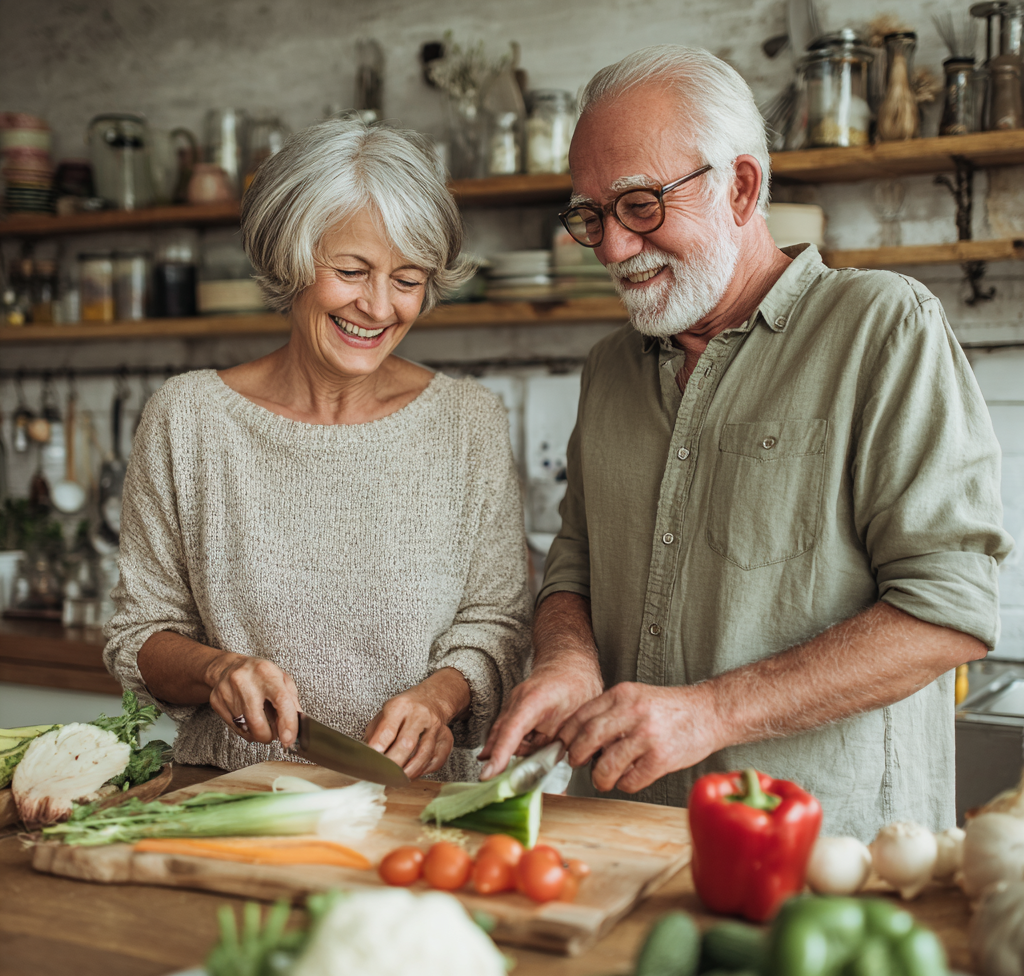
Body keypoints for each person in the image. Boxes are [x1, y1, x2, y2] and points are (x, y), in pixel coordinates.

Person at [479, 45, 1013, 838]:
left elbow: (949, 610)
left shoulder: (883, 327)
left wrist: (712, 713)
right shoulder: (609, 368)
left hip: (832, 858)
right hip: (625, 842)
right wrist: (566, 660)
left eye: (639, 206)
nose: (611, 249)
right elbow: (576, 564)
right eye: (591, 215)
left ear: (740, 187)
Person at [104, 119, 531, 781]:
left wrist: (439, 698)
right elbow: (141, 634)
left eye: (409, 279)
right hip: (228, 800)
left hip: (417, 810)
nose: (379, 306)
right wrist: (217, 669)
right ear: (290, 259)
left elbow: (498, 622)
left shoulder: (468, 422)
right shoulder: (188, 419)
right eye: (352, 271)